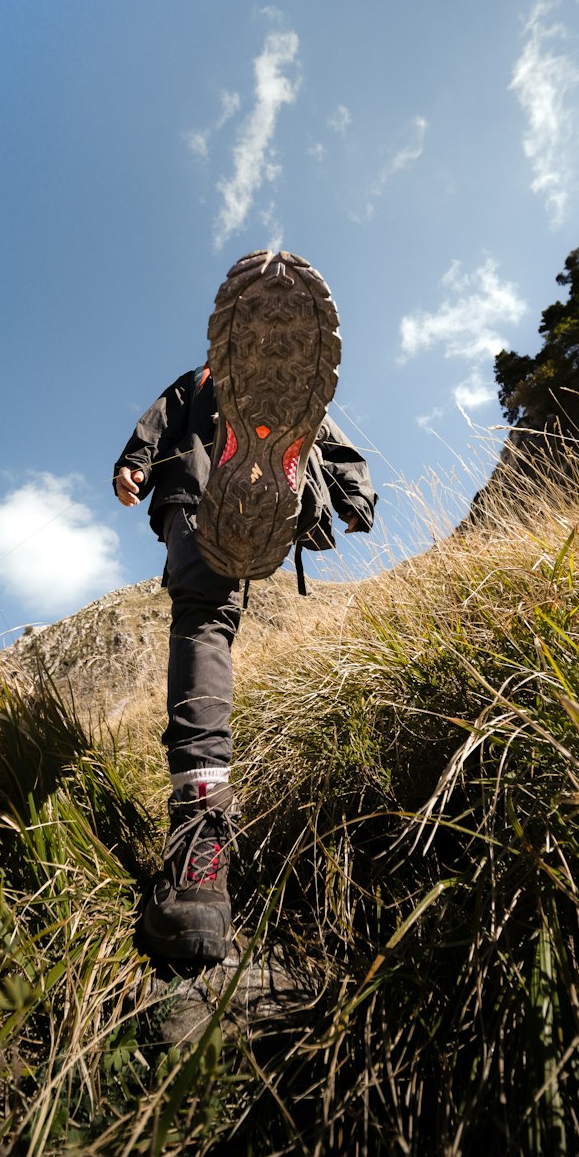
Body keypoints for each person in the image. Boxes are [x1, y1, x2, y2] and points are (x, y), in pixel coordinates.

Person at [113, 250, 377, 963]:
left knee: (202, 619)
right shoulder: (197, 384)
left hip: (192, 502)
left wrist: (137, 464)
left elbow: (162, 421)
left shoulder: (196, 380)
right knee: (211, 618)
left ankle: (200, 853)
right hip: (207, 499)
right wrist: (355, 496)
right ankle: (282, 486)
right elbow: (320, 431)